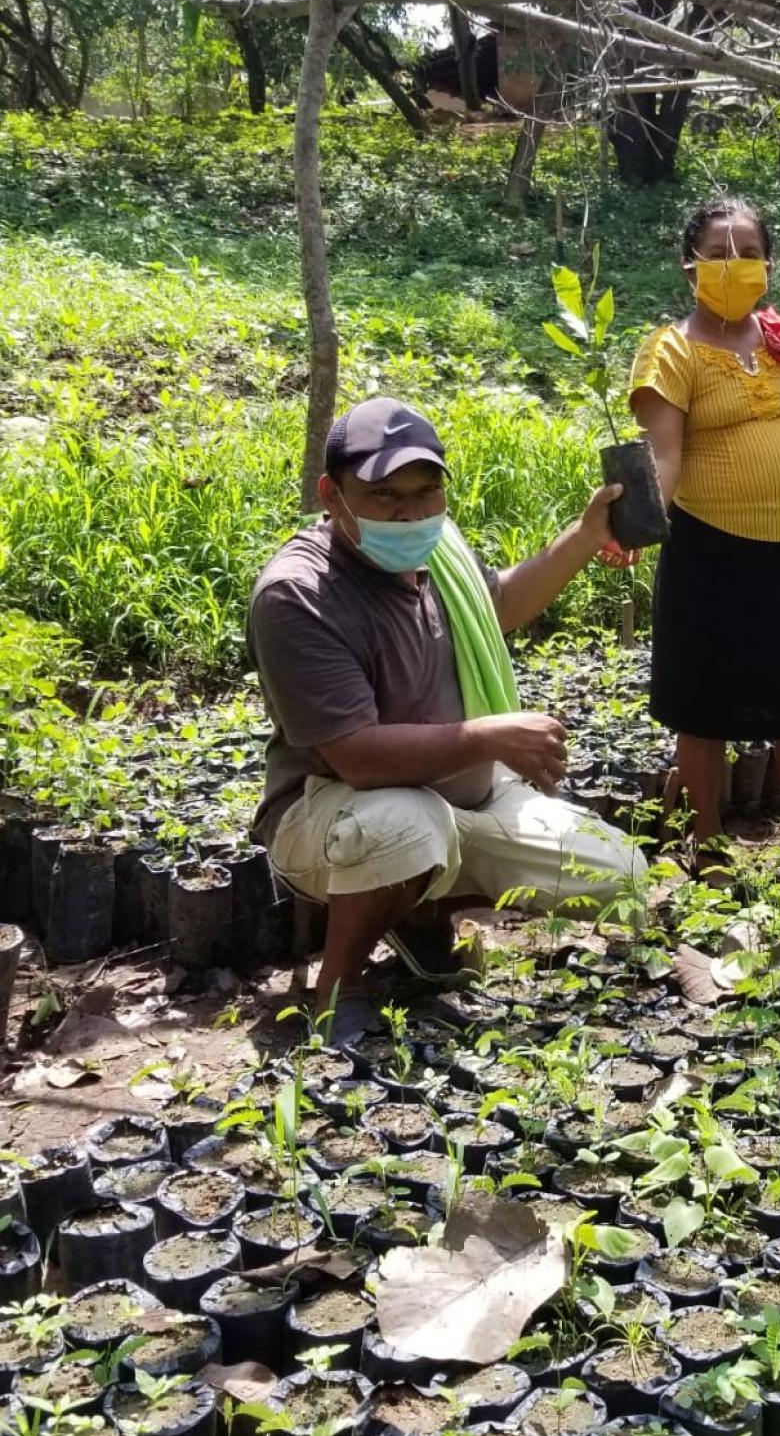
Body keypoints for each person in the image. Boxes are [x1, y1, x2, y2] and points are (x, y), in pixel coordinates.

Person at [247, 397, 648, 1020]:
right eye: (385, 497)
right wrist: (488, 737)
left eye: (427, 491)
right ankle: (339, 986)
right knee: (404, 826)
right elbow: (356, 757)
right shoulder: (300, 594)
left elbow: (500, 606)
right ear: (333, 495)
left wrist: (587, 534)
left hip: (466, 799)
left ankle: (418, 916)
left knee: (621, 874)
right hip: (331, 809)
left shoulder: (435, 553)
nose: (410, 513)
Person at [629, 196, 780, 855]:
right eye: (718, 254)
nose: (735, 265)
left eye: (750, 253)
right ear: (690, 266)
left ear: (769, 264)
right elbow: (665, 452)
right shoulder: (671, 350)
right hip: (708, 547)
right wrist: (638, 523)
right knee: (703, 701)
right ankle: (707, 842)